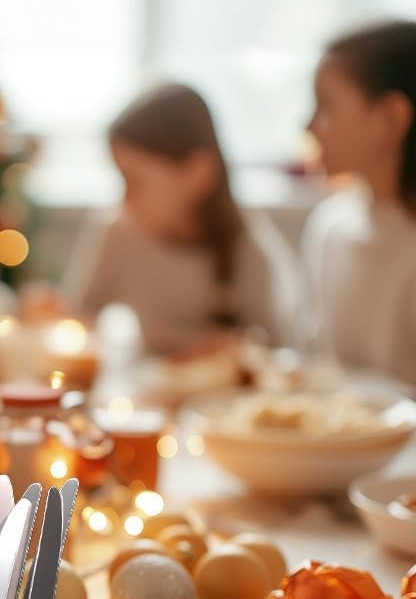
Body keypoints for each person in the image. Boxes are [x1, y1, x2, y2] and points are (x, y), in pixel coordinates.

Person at [64, 83, 297, 356]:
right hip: (144, 390)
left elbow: (280, 349)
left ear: (198, 173)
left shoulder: (248, 246)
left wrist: (238, 348)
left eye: (135, 181)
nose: (124, 199)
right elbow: (79, 318)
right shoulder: (116, 230)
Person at [302, 20, 416, 386]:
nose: (309, 126)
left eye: (325, 107)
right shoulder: (330, 227)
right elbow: (319, 366)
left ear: (390, 118)